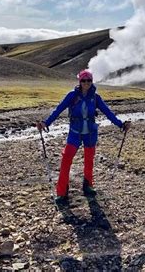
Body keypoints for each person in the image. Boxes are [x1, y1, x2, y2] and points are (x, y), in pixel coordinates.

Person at [36, 70, 131, 205]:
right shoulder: (72, 95)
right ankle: (62, 192)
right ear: (79, 82)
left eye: (89, 80)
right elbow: (58, 110)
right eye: (83, 80)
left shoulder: (96, 97)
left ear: (92, 82)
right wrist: (46, 122)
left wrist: (121, 124)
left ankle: (88, 186)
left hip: (90, 133)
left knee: (89, 160)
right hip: (75, 132)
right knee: (66, 159)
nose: (86, 83)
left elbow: (108, 112)